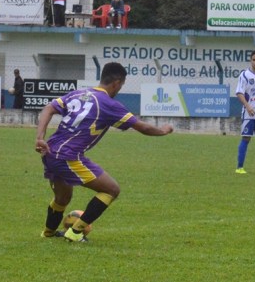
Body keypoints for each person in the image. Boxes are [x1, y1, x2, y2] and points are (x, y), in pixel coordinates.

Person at [35, 62, 174, 242]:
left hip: (49, 151)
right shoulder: (108, 103)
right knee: (111, 189)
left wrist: (40, 137)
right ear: (116, 83)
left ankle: (48, 233)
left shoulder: (79, 93)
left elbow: (49, 108)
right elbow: (143, 127)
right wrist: (163, 130)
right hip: (67, 156)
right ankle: (75, 233)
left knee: (63, 197)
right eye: (121, 86)